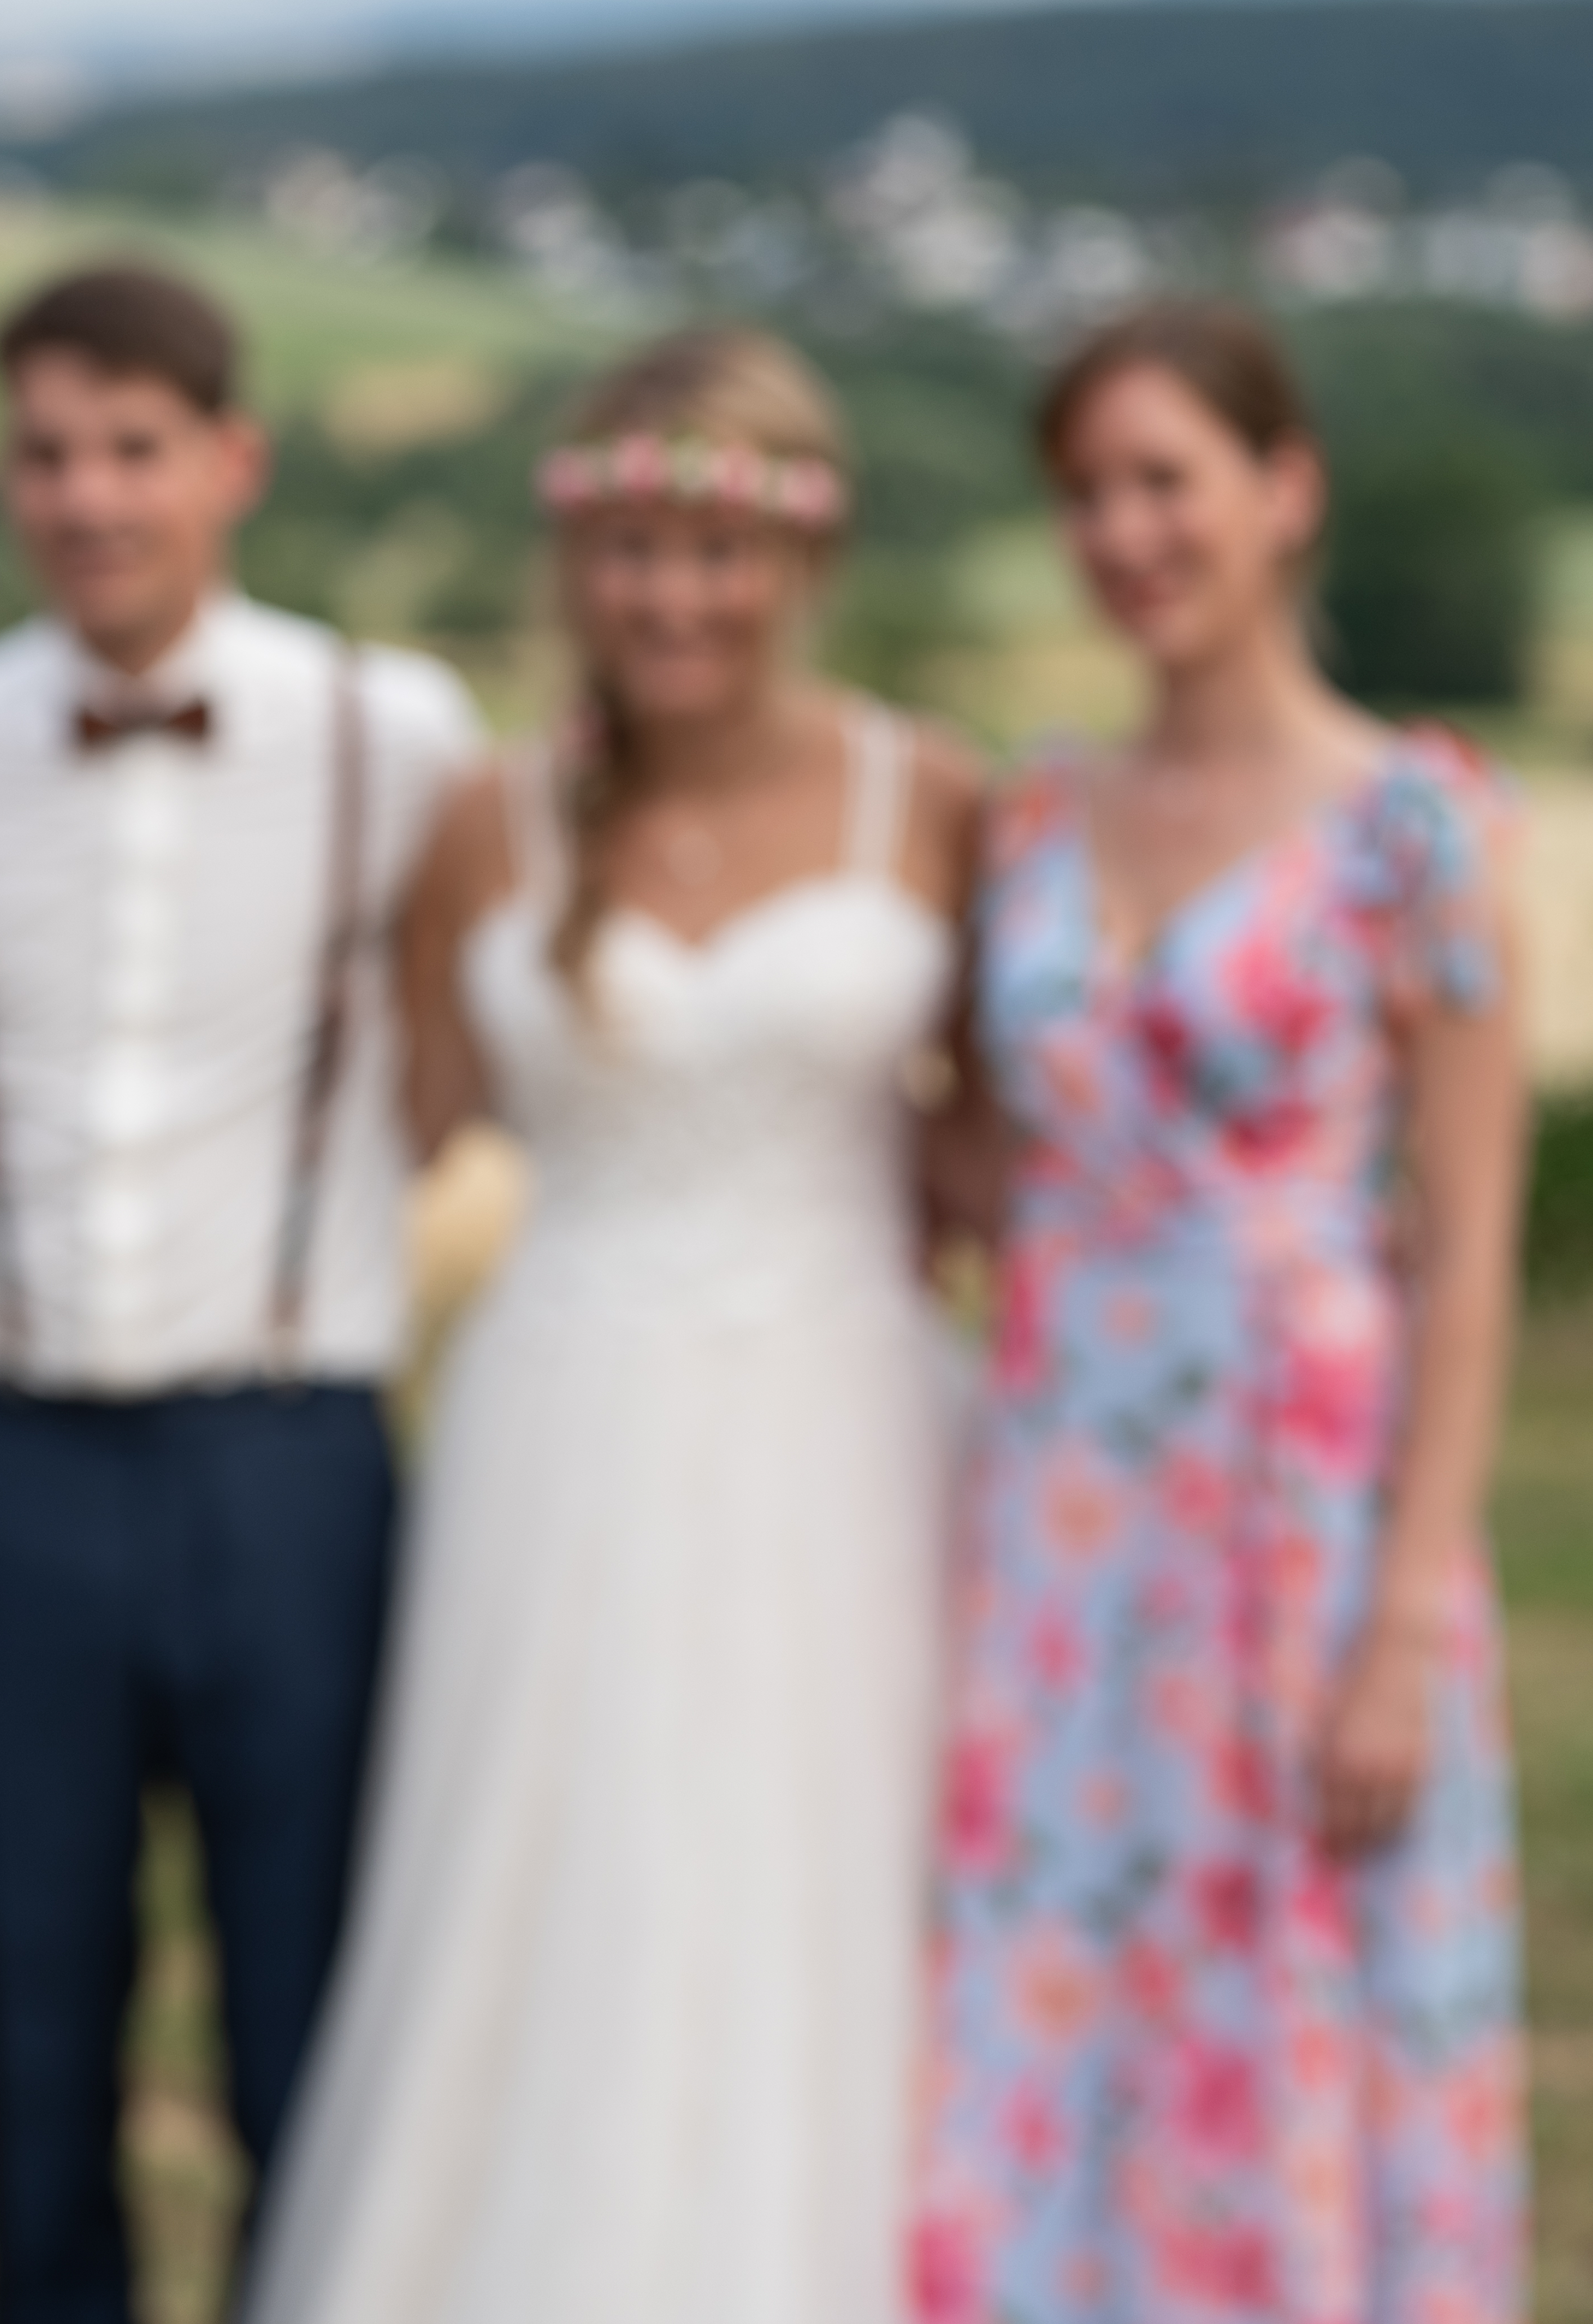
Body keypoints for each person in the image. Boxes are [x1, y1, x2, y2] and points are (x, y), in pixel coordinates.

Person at [243, 328, 981, 2324]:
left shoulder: (931, 801)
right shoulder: (490, 823)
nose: (676, 594)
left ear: (801, 557)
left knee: (830, 1888)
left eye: (717, 549)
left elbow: (1006, 1154)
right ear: (578, 562)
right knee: (554, 1894)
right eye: (635, 548)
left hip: (846, 1421)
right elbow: (372, 1118)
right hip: (562, 1428)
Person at [0, 264, 485, 2323]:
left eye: (134, 449)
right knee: (38, 2017)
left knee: (309, 2006)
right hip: (8, 1453)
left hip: (288, 1446)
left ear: (233, 462)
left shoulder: (397, 733)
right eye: (46, 452)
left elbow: (480, 1054)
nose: (88, 495)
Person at [914, 302, 1528, 2323]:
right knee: (1048, 2003)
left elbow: (1466, 1246)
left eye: (1164, 477)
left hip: (1301, 1513)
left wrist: (1400, 1625)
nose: (1121, 530)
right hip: (1058, 1519)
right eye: (1085, 491)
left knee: (1272, 2015)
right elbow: (972, 1162)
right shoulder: (1027, 817)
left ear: (1285, 492)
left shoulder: (1411, 827)